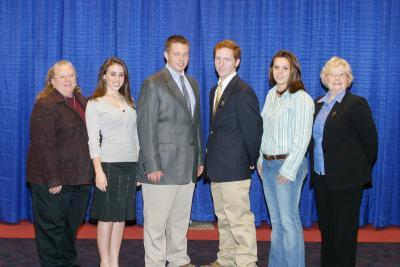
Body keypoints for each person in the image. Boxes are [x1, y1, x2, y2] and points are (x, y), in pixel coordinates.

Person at [137, 35, 204, 267]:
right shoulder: (153, 82)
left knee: (179, 221)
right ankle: (155, 262)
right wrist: (152, 165)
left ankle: (178, 260)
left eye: (185, 54)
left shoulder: (192, 83)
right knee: (156, 224)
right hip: (161, 169)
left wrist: (200, 159)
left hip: (187, 167)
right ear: (166, 54)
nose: (181, 58)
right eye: (176, 53)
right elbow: (145, 127)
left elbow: (196, 124)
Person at [310, 57, 378, 267]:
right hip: (321, 178)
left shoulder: (356, 104)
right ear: (325, 78)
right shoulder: (317, 104)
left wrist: (355, 172)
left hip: (347, 182)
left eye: (342, 75)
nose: (337, 78)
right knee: (328, 231)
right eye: (332, 74)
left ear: (348, 79)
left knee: (344, 234)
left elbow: (371, 144)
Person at [203, 40, 263, 267]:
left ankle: (247, 262)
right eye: (217, 58)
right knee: (224, 218)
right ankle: (226, 259)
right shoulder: (215, 90)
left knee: (240, 220)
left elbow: (253, 130)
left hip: (235, 168)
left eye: (226, 59)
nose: (221, 63)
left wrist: (250, 160)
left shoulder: (243, 91)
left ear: (237, 62)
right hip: (218, 167)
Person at [26, 60, 91, 266]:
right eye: (62, 76)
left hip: (79, 178)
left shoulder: (82, 101)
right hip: (52, 180)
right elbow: (43, 145)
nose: (67, 80)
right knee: (52, 227)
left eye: (71, 75)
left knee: (71, 224)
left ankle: (67, 262)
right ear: (52, 81)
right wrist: (53, 179)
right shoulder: (45, 105)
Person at [257, 50, 314, 267]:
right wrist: (261, 161)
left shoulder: (301, 98)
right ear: (271, 70)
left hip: (288, 165)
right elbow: (263, 131)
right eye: (276, 67)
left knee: (289, 222)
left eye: (285, 68)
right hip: (269, 165)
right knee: (277, 223)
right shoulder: (271, 95)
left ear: (294, 71)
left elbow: (302, 138)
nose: (280, 72)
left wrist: (288, 169)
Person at [86, 57, 139, 267]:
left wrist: (139, 169)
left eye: (121, 74)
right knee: (106, 218)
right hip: (107, 165)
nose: (117, 78)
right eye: (113, 74)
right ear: (104, 76)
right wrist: (98, 171)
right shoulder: (95, 103)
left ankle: (115, 261)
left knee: (120, 218)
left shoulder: (130, 101)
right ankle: (104, 261)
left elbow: (136, 138)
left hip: (129, 166)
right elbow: (92, 140)